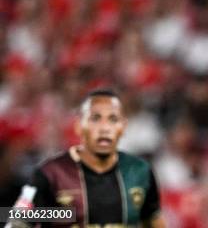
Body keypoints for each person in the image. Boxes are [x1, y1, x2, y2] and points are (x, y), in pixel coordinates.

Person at [7, 89, 165, 228]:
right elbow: (16, 219)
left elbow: (153, 221)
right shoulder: (50, 173)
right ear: (79, 126)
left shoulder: (140, 173)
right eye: (95, 119)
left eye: (112, 119)